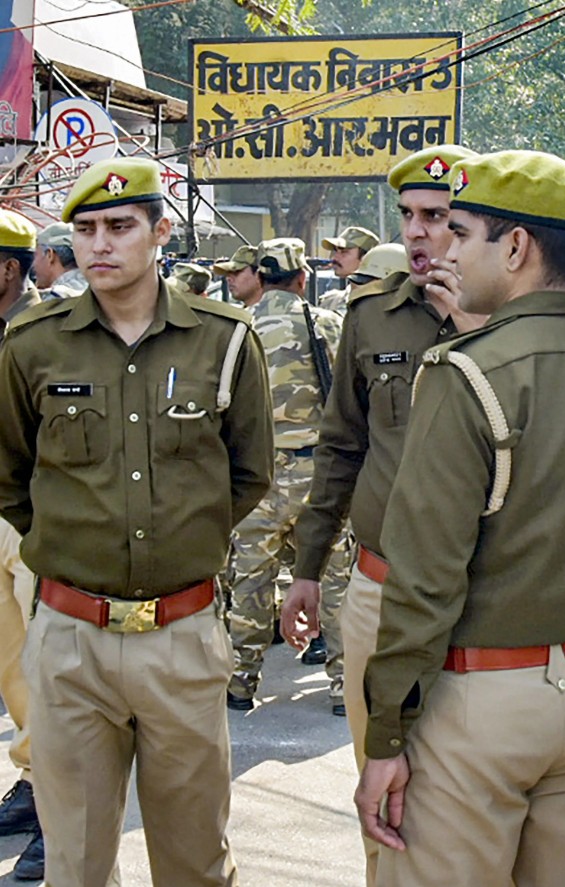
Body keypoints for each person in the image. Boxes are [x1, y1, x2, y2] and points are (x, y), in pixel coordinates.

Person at [354, 149, 565, 886]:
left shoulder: (465, 372)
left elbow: (423, 582)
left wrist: (385, 736)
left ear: (515, 247)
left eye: (462, 231)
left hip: (480, 697)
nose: (447, 248)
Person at [0, 157, 273, 886]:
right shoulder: (33, 343)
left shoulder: (224, 338)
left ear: (161, 231)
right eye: (85, 229)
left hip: (181, 635)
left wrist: (183, 537)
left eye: (120, 226)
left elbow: (249, 473)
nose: (100, 244)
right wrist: (75, 540)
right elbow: (10, 474)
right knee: (76, 863)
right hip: (70, 639)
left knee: (195, 860)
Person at [279, 144, 479, 886]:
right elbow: (342, 447)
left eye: (440, 217)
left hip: (479, 597)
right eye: (409, 216)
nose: (420, 232)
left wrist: (470, 324)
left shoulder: (511, 320)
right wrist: (307, 569)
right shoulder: (371, 315)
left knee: (467, 794)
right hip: (377, 585)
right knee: (381, 786)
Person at [222, 238, 353, 714]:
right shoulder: (326, 323)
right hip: (320, 475)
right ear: (302, 279)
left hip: (257, 476)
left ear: (259, 277)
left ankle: (241, 683)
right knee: (335, 580)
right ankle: (342, 686)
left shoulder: (235, 330)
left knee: (250, 580)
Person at [0, 210, 43, 881]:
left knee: (47, 665)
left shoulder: (47, 334)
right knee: (11, 664)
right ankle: (33, 779)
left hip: (35, 519)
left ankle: (57, 812)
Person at [319, 225, 381, 314]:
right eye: (336, 251)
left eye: (344, 252)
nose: (335, 257)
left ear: (366, 258)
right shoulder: (330, 302)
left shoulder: (382, 304)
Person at [32, 222, 84, 299]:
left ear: (50, 255)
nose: (33, 263)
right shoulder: (97, 289)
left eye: (35, 255)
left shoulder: (55, 298)